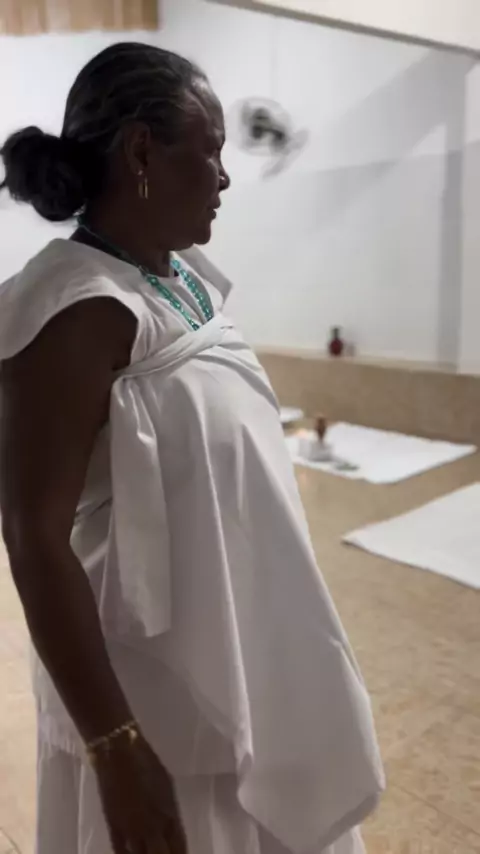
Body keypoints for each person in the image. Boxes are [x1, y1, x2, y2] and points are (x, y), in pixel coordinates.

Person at [0, 42, 384, 854]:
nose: (225, 177)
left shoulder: (178, 278)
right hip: (155, 699)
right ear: (142, 152)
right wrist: (117, 749)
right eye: (209, 152)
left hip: (245, 653)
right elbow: (34, 537)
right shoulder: (73, 307)